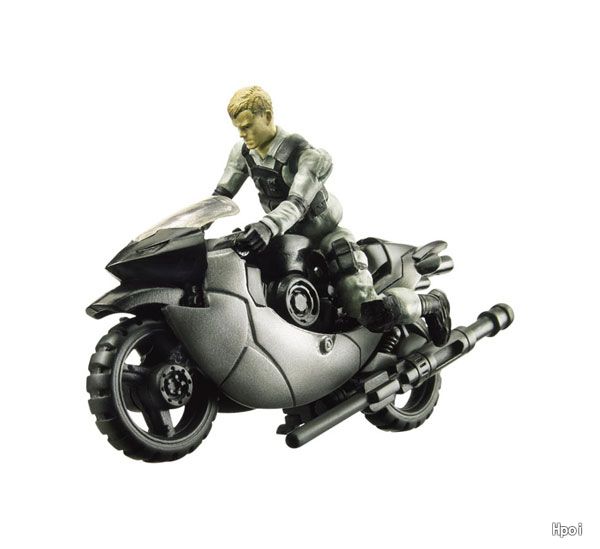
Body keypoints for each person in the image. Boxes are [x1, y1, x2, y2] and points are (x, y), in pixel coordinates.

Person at [211, 86, 451, 345]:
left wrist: (267, 226)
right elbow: (220, 196)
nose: (242, 133)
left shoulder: (306, 156)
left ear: (267, 116)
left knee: (369, 309)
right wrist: (193, 225)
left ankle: (432, 303)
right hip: (286, 239)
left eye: (247, 126)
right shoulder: (243, 153)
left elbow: (297, 203)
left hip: (325, 236)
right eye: (238, 128)